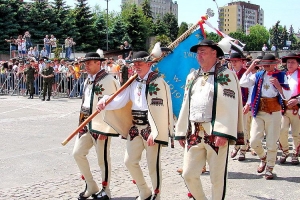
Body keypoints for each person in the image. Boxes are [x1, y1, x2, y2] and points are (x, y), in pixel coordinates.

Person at [97, 51, 173, 200]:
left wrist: (156, 131)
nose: (136, 66)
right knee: (129, 161)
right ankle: (144, 191)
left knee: (153, 165)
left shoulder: (158, 82)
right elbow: (121, 100)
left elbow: (163, 110)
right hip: (135, 128)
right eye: (134, 64)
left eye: (140, 63)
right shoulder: (133, 82)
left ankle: (156, 195)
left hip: (151, 128)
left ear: (149, 64)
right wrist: (105, 101)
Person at [175, 39, 244, 200]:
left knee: (217, 179)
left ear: (215, 53)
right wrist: (181, 131)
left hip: (215, 132)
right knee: (188, 174)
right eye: (198, 52)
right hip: (194, 133)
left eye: (203, 52)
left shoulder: (225, 75)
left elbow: (230, 104)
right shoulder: (192, 76)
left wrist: (223, 131)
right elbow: (186, 103)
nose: (199, 55)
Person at [72, 52, 120, 200]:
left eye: (89, 63)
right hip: (86, 123)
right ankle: (91, 185)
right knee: (77, 153)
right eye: (85, 63)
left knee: (103, 159)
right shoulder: (88, 80)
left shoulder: (108, 80)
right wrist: (80, 123)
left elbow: (115, 106)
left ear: (98, 63)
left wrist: (107, 128)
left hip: (100, 124)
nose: (86, 66)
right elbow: (85, 102)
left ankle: (106, 190)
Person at [240, 54, 291, 180]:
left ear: (275, 64)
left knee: (271, 142)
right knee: (254, 141)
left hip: (274, 112)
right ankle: (263, 157)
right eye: (264, 64)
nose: (266, 66)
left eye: (269, 64)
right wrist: (251, 65)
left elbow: (287, 95)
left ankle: (269, 168)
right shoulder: (258, 75)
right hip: (259, 110)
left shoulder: (281, 75)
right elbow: (243, 82)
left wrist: (279, 86)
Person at [227, 53, 251, 161]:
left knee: (244, 127)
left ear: (242, 61)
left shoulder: (246, 73)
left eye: (236, 61)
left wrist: (248, 104)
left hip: (244, 102)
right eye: (232, 61)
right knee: (235, 127)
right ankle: (237, 146)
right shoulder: (231, 74)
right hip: (233, 103)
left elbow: (251, 91)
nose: (233, 63)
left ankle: (243, 149)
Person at [278, 53, 300, 165]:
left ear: (297, 64)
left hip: (297, 109)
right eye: (288, 62)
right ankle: (285, 151)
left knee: (297, 133)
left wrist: (298, 100)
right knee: (282, 131)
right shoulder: (283, 75)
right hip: (284, 108)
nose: (290, 64)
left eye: (293, 62)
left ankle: (296, 152)